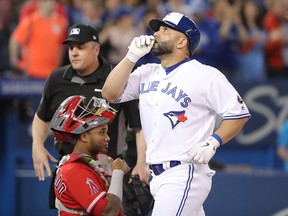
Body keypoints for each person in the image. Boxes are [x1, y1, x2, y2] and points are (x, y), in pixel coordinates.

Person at [102, 12, 251, 215]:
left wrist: (214, 141)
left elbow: (239, 113)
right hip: (158, 175)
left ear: (182, 42)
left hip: (184, 171)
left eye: (165, 30)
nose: (156, 33)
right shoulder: (146, 71)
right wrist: (131, 57)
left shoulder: (205, 75)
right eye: (157, 29)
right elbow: (109, 93)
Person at [31, 23, 150, 208]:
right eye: (71, 48)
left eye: (80, 47)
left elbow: (139, 126)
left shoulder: (116, 77)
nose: (74, 52)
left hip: (108, 168)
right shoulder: (56, 78)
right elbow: (41, 116)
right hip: (69, 168)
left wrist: (141, 162)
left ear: (96, 49)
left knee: (108, 211)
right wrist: (37, 144)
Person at [50, 95, 130, 215]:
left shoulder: (90, 163)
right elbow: (107, 213)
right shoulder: (74, 171)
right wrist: (118, 173)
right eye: (101, 133)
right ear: (84, 136)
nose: (107, 138)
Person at [9, 0, 68, 78]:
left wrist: (58, 64)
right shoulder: (31, 21)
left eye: (54, 1)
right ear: (40, 3)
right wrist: (15, 62)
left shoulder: (62, 22)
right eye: (47, 1)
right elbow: (15, 40)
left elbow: (62, 46)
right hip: (32, 73)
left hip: (52, 73)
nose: (51, 4)